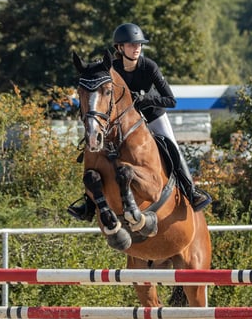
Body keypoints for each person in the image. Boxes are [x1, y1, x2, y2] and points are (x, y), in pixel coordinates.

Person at [68, 23, 212, 221]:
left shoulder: (149, 66)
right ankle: (89, 201)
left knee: (171, 146)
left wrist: (145, 99)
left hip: (153, 116)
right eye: (130, 45)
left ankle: (190, 190)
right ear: (119, 48)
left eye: (139, 45)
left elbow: (171, 100)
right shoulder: (113, 69)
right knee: (95, 150)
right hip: (125, 121)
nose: (136, 48)